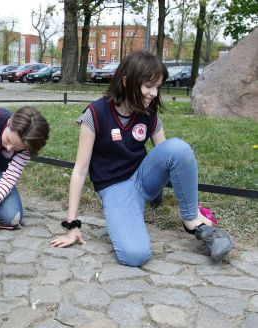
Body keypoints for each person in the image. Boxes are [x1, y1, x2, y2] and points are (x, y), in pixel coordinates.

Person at [51, 50, 233, 267]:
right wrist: (72, 225)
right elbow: (80, 171)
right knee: (134, 255)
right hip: (115, 189)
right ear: (127, 82)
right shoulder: (95, 113)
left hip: (144, 179)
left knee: (178, 148)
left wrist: (190, 203)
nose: (154, 93)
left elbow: (168, 156)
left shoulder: (149, 113)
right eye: (149, 86)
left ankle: (194, 221)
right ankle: (130, 212)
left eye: (158, 86)